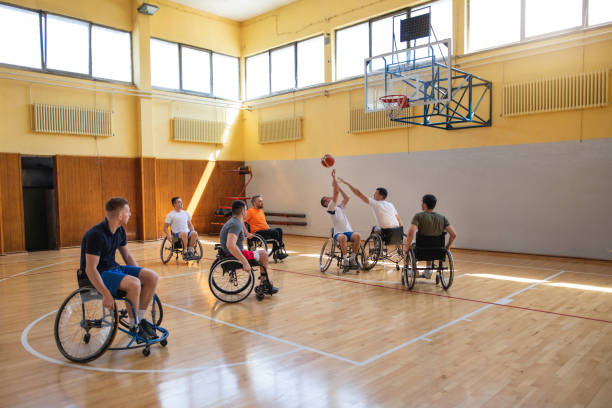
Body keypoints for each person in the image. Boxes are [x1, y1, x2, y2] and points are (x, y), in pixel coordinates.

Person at [80, 197, 159, 340]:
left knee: (152, 277)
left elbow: (127, 256)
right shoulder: (96, 235)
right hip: (100, 273)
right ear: (120, 216)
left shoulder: (120, 230)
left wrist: (142, 278)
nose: (130, 214)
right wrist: (105, 294)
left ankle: (140, 320)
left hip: (114, 268)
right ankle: (133, 325)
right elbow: (90, 269)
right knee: (134, 284)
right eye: (128, 211)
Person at [219, 200, 278, 295]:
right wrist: (244, 262)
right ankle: (264, 283)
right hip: (233, 254)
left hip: (229, 253)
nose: (246, 212)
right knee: (263, 254)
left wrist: (246, 233)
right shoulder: (235, 225)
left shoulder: (235, 221)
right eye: (246, 210)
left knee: (261, 253)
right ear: (242, 211)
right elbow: (230, 245)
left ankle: (264, 282)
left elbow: (241, 223)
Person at [405, 194, 457, 278]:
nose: (421, 204)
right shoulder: (442, 218)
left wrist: (407, 247)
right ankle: (428, 269)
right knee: (430, 245)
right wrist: (447, 247)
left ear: (425, 204)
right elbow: (453, 235)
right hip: (438, 250)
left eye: (422, 202)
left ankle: (410, 269)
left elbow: (411, 232)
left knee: (410, 246)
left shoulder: (418, 216)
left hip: (421, 248)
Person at [337, 178, 403, 244]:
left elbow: (359, 193)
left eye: (376, 193)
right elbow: (398, 219)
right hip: (397, 232)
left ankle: (376, 247)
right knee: (377, 228)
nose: (374, 194)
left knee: (375, 229)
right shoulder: (390, 205)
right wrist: (401, 230)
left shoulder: (375, 203)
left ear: (381, 196)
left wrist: (347, 183)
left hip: (386, 233)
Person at [320, 170, 361, 267]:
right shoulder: (330, 208)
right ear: (326, 203)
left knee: (358, 236)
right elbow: (336, 194)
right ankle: (345, 259)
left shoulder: (339, 207)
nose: (330, 198)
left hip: (348, 231)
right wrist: (333, 179)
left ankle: (352, 258)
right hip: (339, 233)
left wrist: (339, 187)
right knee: (343, 238)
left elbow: (347, 198)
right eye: (327, 198)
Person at [246, 195, 288, 260]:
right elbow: (243, 221)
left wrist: (270, 229)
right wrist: (246, 233)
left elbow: (265, 223)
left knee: (279, 230)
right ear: (254, 203)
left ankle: (278, 250)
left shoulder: (261, 212)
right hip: (257, 233)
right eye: (260, 201)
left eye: (262, 201)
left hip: (265, 231)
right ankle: (277, 251)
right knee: (275, 232)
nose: (262, 203)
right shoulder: (250, 211)